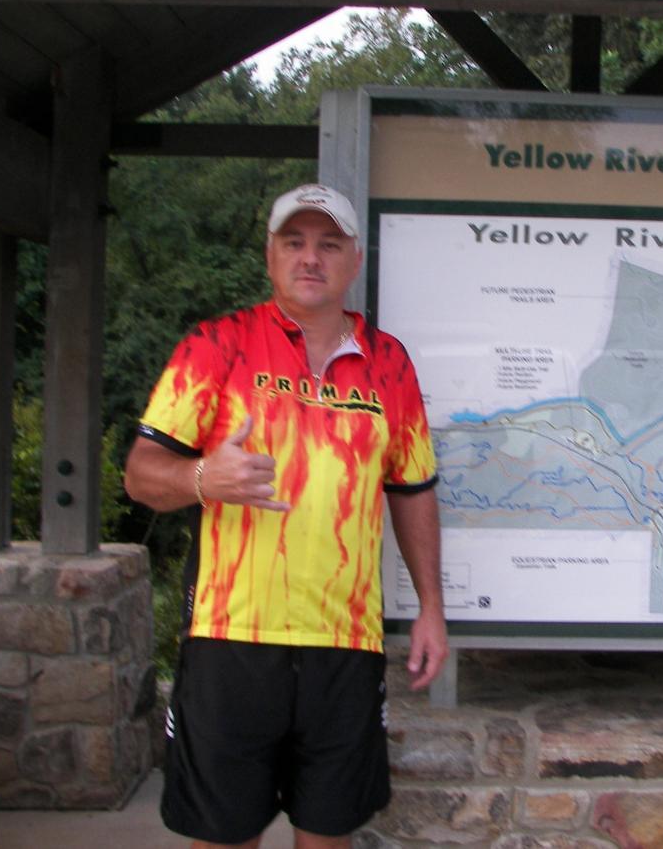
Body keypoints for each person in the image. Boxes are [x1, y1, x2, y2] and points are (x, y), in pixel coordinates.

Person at [124, 183, 448, 849]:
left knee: (327, 834)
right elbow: (139, 475)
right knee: (222, 835)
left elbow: (412, 489)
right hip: (230, 637)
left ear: (354, 261)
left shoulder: (389, 363)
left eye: (328, 244)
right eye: (294, 242)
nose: (310, 258)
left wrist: (432, 609)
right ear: (270, 255)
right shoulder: (216, 345)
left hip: (345, 643)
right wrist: (201, 476)